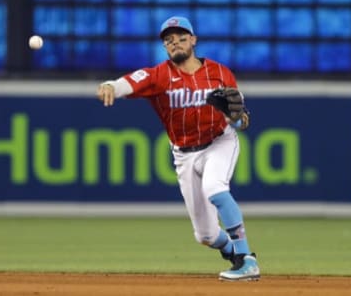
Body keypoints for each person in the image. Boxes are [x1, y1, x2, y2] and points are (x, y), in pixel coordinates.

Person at [97, 16, 260, 281]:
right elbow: (129, 82)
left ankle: (247, 260)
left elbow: (241, 120)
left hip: (220, 141)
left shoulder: (220, 72)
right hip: (184, 154)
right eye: (169, 40)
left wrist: (239, 117)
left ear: (193, 40)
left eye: (181, 37)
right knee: (206, 235)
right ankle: (232, 252)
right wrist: (111, 86)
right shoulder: (158, 76)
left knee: (215, 188)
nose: (175, 43)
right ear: (165, 47)